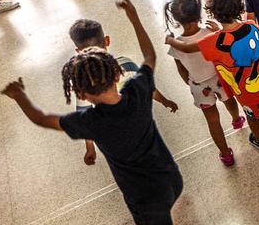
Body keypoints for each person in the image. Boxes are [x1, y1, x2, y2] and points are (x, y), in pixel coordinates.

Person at [1, 0, 232, 225]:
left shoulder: (89, 121)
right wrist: (136, 17)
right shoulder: (138, 88)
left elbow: (41, 119)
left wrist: (19, 95)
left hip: (145, 200)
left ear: (81, 92)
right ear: (115, 71)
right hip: (170, 178)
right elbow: (150, 57)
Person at [166, 0, 259, 170]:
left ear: (212, 13)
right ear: (240, 6)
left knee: (253, 117)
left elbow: (188, 48)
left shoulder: (215, 40)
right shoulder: (252, 26)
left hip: (245, 91)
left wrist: (170, 40)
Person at [69, 17, 179, 166]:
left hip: (112, 137)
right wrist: (164, 101)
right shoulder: (126, 65)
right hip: (139, 127)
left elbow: (84, 116)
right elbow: (145, 88)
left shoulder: (82, 82)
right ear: (106, 41)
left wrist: (90, 148)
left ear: (78, 51)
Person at [164, 0, 245, 168]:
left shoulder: (176, 44)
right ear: (198, 14)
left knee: (212, 121)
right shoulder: (210, 33)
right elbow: (225, 46)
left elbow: (180, 68)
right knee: (229, 100)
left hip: (199, 86)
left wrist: (189, 81)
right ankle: (236, 118)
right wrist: (217, 30)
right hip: (219, 78)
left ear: (177, 20)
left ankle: (225, 154)